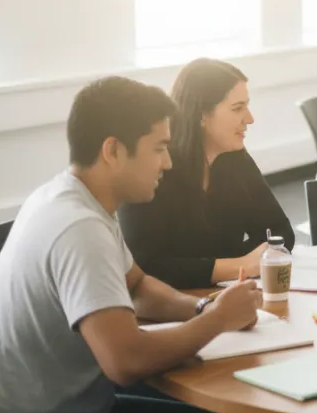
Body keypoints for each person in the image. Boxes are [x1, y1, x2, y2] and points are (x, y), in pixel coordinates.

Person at [0, 77, 279, 413]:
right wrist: (217, 321)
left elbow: (138, 287)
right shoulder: (79, 227)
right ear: (113, 150)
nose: (168, 162)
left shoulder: (72, 198)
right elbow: (126, 361)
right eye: (159, 148)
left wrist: (202, 307)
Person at [119, 59, 295, 289]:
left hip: (223, 293)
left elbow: (281, 233)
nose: (249, 118)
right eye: (237, 108)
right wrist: (240, 264)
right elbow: (148, 266)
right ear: (201, 114)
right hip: (169, 307)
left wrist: (218, 266)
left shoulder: (235, 159)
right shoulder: (155, 166)